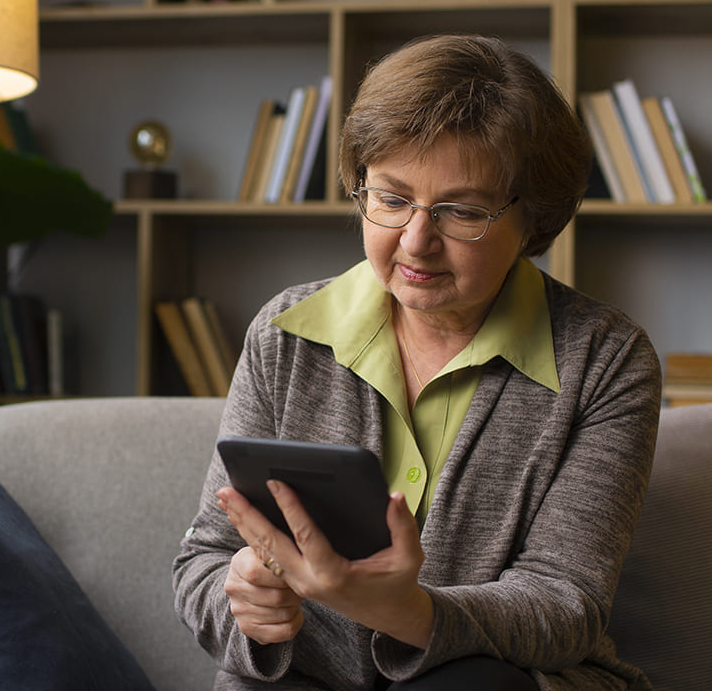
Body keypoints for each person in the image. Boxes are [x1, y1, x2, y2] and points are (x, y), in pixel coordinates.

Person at [172, 34, 661, 690]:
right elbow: (205, 559)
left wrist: (416, 614)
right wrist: (243, 601)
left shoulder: (606, 360)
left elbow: (566, 604)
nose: (416, 242)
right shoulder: (284, 334)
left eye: (462, 211)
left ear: (534, 219)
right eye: (392, 198)